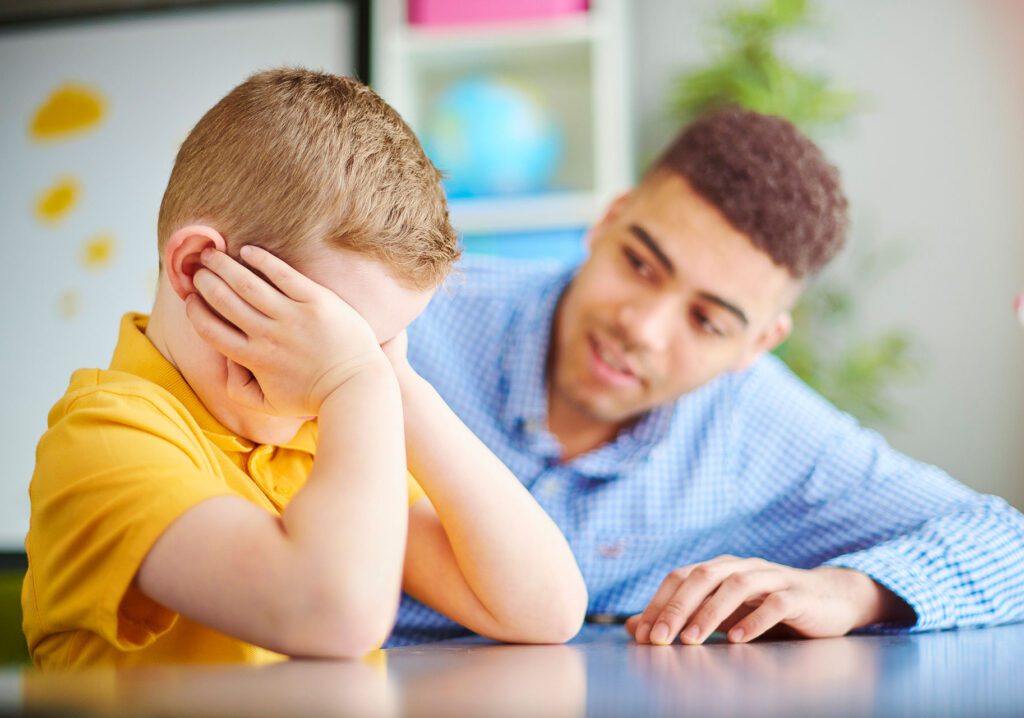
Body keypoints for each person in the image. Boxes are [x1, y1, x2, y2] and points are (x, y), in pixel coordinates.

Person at [389, 106, 1024, 647]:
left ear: (759, 342)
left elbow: (1008, 547)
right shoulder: (411, 315)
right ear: (608, 220)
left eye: (708, 321)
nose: (644, 328)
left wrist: (850, 593)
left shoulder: (761, 424)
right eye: (639, 264)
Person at [22, 68, 587, 669]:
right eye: (327, 333)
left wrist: (397, 382)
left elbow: (544, 609)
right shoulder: (102, 441)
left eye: (375, 343)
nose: (348, 363)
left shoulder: (322, 434)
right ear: (197, 270)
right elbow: (334, 613)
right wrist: (355, 383)